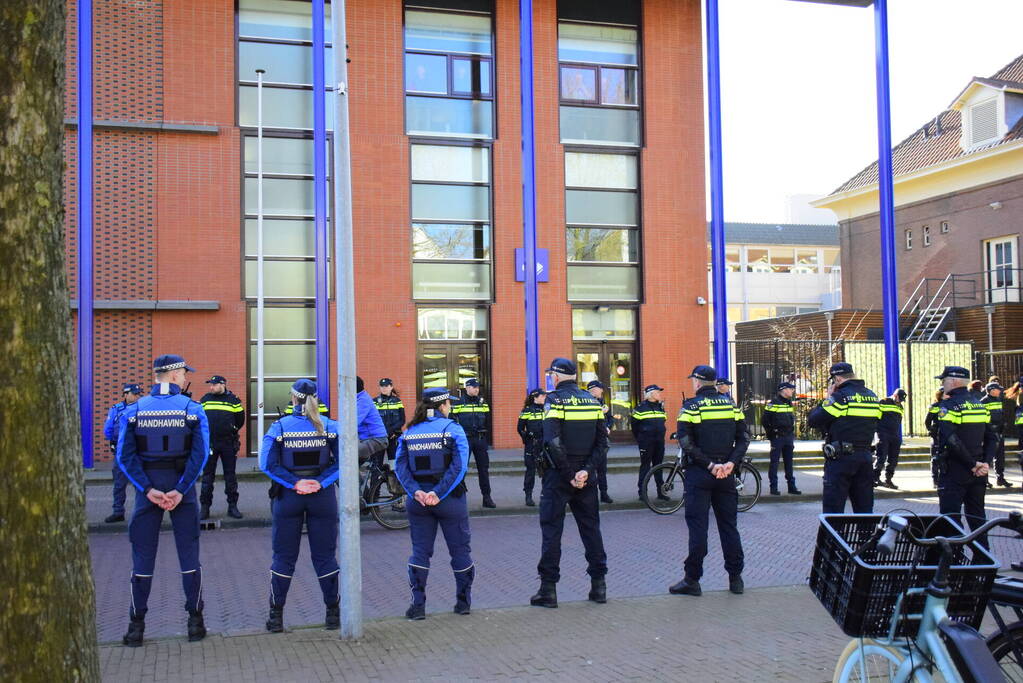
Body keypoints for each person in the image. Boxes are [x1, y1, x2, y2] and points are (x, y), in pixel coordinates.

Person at [116, 355, 210, 647]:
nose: (185, 379)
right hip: (181, 489)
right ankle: (195, 623)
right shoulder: (193, 410)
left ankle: (136, 627)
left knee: (142, 558)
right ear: (171, 376)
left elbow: (124, 456)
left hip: (149, 490)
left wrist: (146, 489)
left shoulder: (134, 410)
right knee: (189, 555)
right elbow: (201, 454)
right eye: (183, 374)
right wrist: (182, 489)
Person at [260, 379, 341, 633]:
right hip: (322, 496)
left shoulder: (279, 427)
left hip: (288, 497)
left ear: (292, 398)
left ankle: (276, 617)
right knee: (325, 557)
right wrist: (319, 482)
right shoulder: (330, 426)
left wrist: (296, 483)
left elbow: (267, 464)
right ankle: (333, 614)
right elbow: (343, 461)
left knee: (283, 557)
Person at [531, 358, 609, 609]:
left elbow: (552, 441)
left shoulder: (554, 400)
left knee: (552, 531)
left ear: (556, 376)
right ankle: (599, 586)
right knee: (591, 530)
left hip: (559, 476)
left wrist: (568, 474)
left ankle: (548, 590)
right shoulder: (592, 401)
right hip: (587, 476)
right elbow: (602, 443)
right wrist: (585, 471)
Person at [393, 387, 473, 620]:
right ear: (442, 405)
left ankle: (417, 606)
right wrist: (438, 493)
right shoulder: (453, 429)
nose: (451, 407)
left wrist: (416, 491)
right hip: (450, 500)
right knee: (460, 550)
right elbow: (460, 466)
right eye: (449, 403)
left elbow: (400, 467)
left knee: (420, 552)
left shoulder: (409, 433)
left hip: (419, 502)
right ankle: (463, 603)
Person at [669, 365, 748, 597]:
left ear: (697, 382)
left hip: (701, 474)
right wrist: (730, 464)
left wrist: (710, 465)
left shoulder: (691, 406)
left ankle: (692, 580)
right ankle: (736, 579)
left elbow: (685, 442)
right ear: (714, 382)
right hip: (727, 475)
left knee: (698, 528)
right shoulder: (731, 405)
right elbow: (743, 439)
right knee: (729, 527)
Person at [934, 366, 997, 548]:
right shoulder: (980, 405)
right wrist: (985, 463)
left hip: (956, 470)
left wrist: (972, 464)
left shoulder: (948, 406)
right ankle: (983, 561)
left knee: (950, 519)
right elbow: (992, 438)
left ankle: (954, 562)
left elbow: (951, 440)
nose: (942, 384)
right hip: (978, 473)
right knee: (978, 518)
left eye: (943, 380)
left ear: (953, 381)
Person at [807, 362, 881, 514]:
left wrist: (828, 398)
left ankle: (833, 538)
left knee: (833, 511)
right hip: (865, 458)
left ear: (838, 379)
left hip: (841, 459)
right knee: (864, 509)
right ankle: (865, 537)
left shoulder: (841, 398)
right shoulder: (872, 397)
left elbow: (814, 420)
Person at [199, 375, 245, 520]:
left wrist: (231, 429)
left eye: (213, 384)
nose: (211, 387)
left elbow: (240, 420)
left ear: (222, 384)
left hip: (228, 443)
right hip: (210, 443)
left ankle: (232, 507)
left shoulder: (233, 400)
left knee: (230, 476)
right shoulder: (205, 399)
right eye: (210, 385)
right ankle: (205, 508)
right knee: (207, 477)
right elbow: (200, 418)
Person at [451, 378, 495, 508]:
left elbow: (488, 420)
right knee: (462, 469)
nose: (476, 389)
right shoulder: (459, 403)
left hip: (480, 439)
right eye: (474, 387)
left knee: (484, 470)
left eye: (477, 387)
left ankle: (487, 498)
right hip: (465, 439)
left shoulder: (483, 403)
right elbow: (452, 421)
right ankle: (459, 498)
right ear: (467, 388)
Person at [103, 382, 142, 523]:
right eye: (135, 393)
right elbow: (108, 430)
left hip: (138, 451)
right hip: (122, 451)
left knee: (140, 483)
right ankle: (118, 511)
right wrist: (114, 441)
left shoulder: (142, 408)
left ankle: (141, 512)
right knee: (119, 483)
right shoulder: (116, 409)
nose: (138, 396)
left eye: (139, 393)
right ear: (126, 394)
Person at [762, 382, 801, 496]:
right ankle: (773, 487)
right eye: (790, 389)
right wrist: (772, 434)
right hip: (778, 437)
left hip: (788, 437)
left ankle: (791, 486)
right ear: (783, 390)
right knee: (774, 463)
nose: (792, 391)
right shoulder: (773, 403)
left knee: (789, 463)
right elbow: (765, 420)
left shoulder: (789, 403)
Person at [632, 384, 668, 501]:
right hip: (646, 443)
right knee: (645, 467)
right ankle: (642, 493)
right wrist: (641, 439)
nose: (659, 394)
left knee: (659, 467)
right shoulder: (640, 408)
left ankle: (660, 492)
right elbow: (634, 427)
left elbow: (663, 423)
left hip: (659, 442)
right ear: (651, 394)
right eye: (657, 392)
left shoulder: (660, 407)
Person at [517, 388, 546, 507]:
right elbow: (519, 428)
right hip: (532, 445)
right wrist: (527, 437)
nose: (544, 398)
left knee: (547, 471)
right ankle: (528, 496)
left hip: (545, 445)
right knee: (530, 471)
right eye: (542, 396)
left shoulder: (547, 409)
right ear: (535, 397)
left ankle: (546, 495)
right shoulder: (527, 411)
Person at [586, 380, 614, 504]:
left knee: (602, 470)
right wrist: (600, 413)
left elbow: (610, 419)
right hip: (589, 441)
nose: (602, 391)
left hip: (601, 442)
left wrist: (607, 426)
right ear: (594, 389)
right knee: (590, 469)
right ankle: (589, 496)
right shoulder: (585, 402)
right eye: (600, 388)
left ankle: (604, 494)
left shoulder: (603, 402)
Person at [873, 388, 907, 490]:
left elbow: (899, 420)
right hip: (883, 433)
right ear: (895, 395)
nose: (900, 402)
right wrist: (878, 432)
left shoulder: (900, 406)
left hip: (894, 435)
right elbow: (876, 418)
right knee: (881, 457)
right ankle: (875, 478)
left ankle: (888, 479)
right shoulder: (883, 402)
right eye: (899, 399)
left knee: (893, 459)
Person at [981, 382, 1012, 488]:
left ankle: (1000, 478)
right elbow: (984, 419)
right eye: (998, 389)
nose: (1000, 391)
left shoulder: (998, 400)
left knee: (1000, 456)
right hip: (989, 433)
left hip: (999, 432)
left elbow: (1000, 414)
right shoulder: (984, 401)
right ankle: (984, 480)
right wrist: (990, 430)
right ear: (992, 390)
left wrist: (1003, 424)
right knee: (987, 456)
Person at [356, 376, 389, 465]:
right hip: (370, 438)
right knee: (355, 462)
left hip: (376, 439)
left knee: (349, 455)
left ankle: (353, 479)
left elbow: (353, 422)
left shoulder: (362, 401)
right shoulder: (359, 398)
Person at [374, 378, 406, 464]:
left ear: (391, 387)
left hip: (394, 436)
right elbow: (373, 420)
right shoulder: (375, 401)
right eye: (382, 386)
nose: (384, 388)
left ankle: (394, 477)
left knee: (395, 463)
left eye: (386, 386)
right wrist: (384, 432)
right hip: (379, 437)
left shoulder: (397, 401)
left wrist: (392, 431)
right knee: (377, 463)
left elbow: (402, 420)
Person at [926, 388, 947, 488]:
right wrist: (931, 430)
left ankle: (944, 479)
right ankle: (935, 480)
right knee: (935, 458)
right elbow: (927, 420)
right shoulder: (935, 406)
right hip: (937, 435)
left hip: (947, 435)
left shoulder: (951, 404)